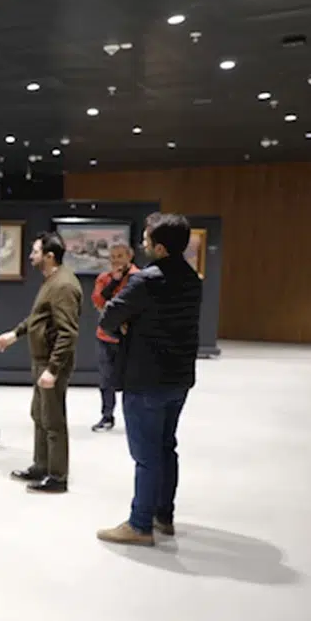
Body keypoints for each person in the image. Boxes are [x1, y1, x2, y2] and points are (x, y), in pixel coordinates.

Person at [95, 213, 202, 546]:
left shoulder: (146, 281)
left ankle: (140, 525)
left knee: (146, 456)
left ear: (159, 247)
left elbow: (109, 317)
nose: (142, 244)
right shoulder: (192, 279)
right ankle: (163, 516)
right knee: (167, 447)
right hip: (179, 378)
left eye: (145, 240)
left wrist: (127, 324)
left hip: (145, 378)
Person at [0, 231, 82, 494]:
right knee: (40, 415)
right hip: (41, 361)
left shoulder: (63, 286)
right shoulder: (52, 281)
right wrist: (15, 334)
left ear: (49, 256)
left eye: (35, 252)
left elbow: (68, 333)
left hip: (50, 364)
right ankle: (41, 466)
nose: (31, 256)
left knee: (53, 420)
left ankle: (57, 477)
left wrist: (53, 369)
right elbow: (38, 317)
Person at [90, 242, 138, 431]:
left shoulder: (138, 277)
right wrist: (114, 282)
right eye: (112, 257)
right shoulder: (104, 278)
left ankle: (133, 418)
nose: (116, 261)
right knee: (106, 378)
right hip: (106, 336)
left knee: (132, 379)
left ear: (129, 257)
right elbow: (98, 301)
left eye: (120, 256)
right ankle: (107, 415)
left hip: (131, 338)